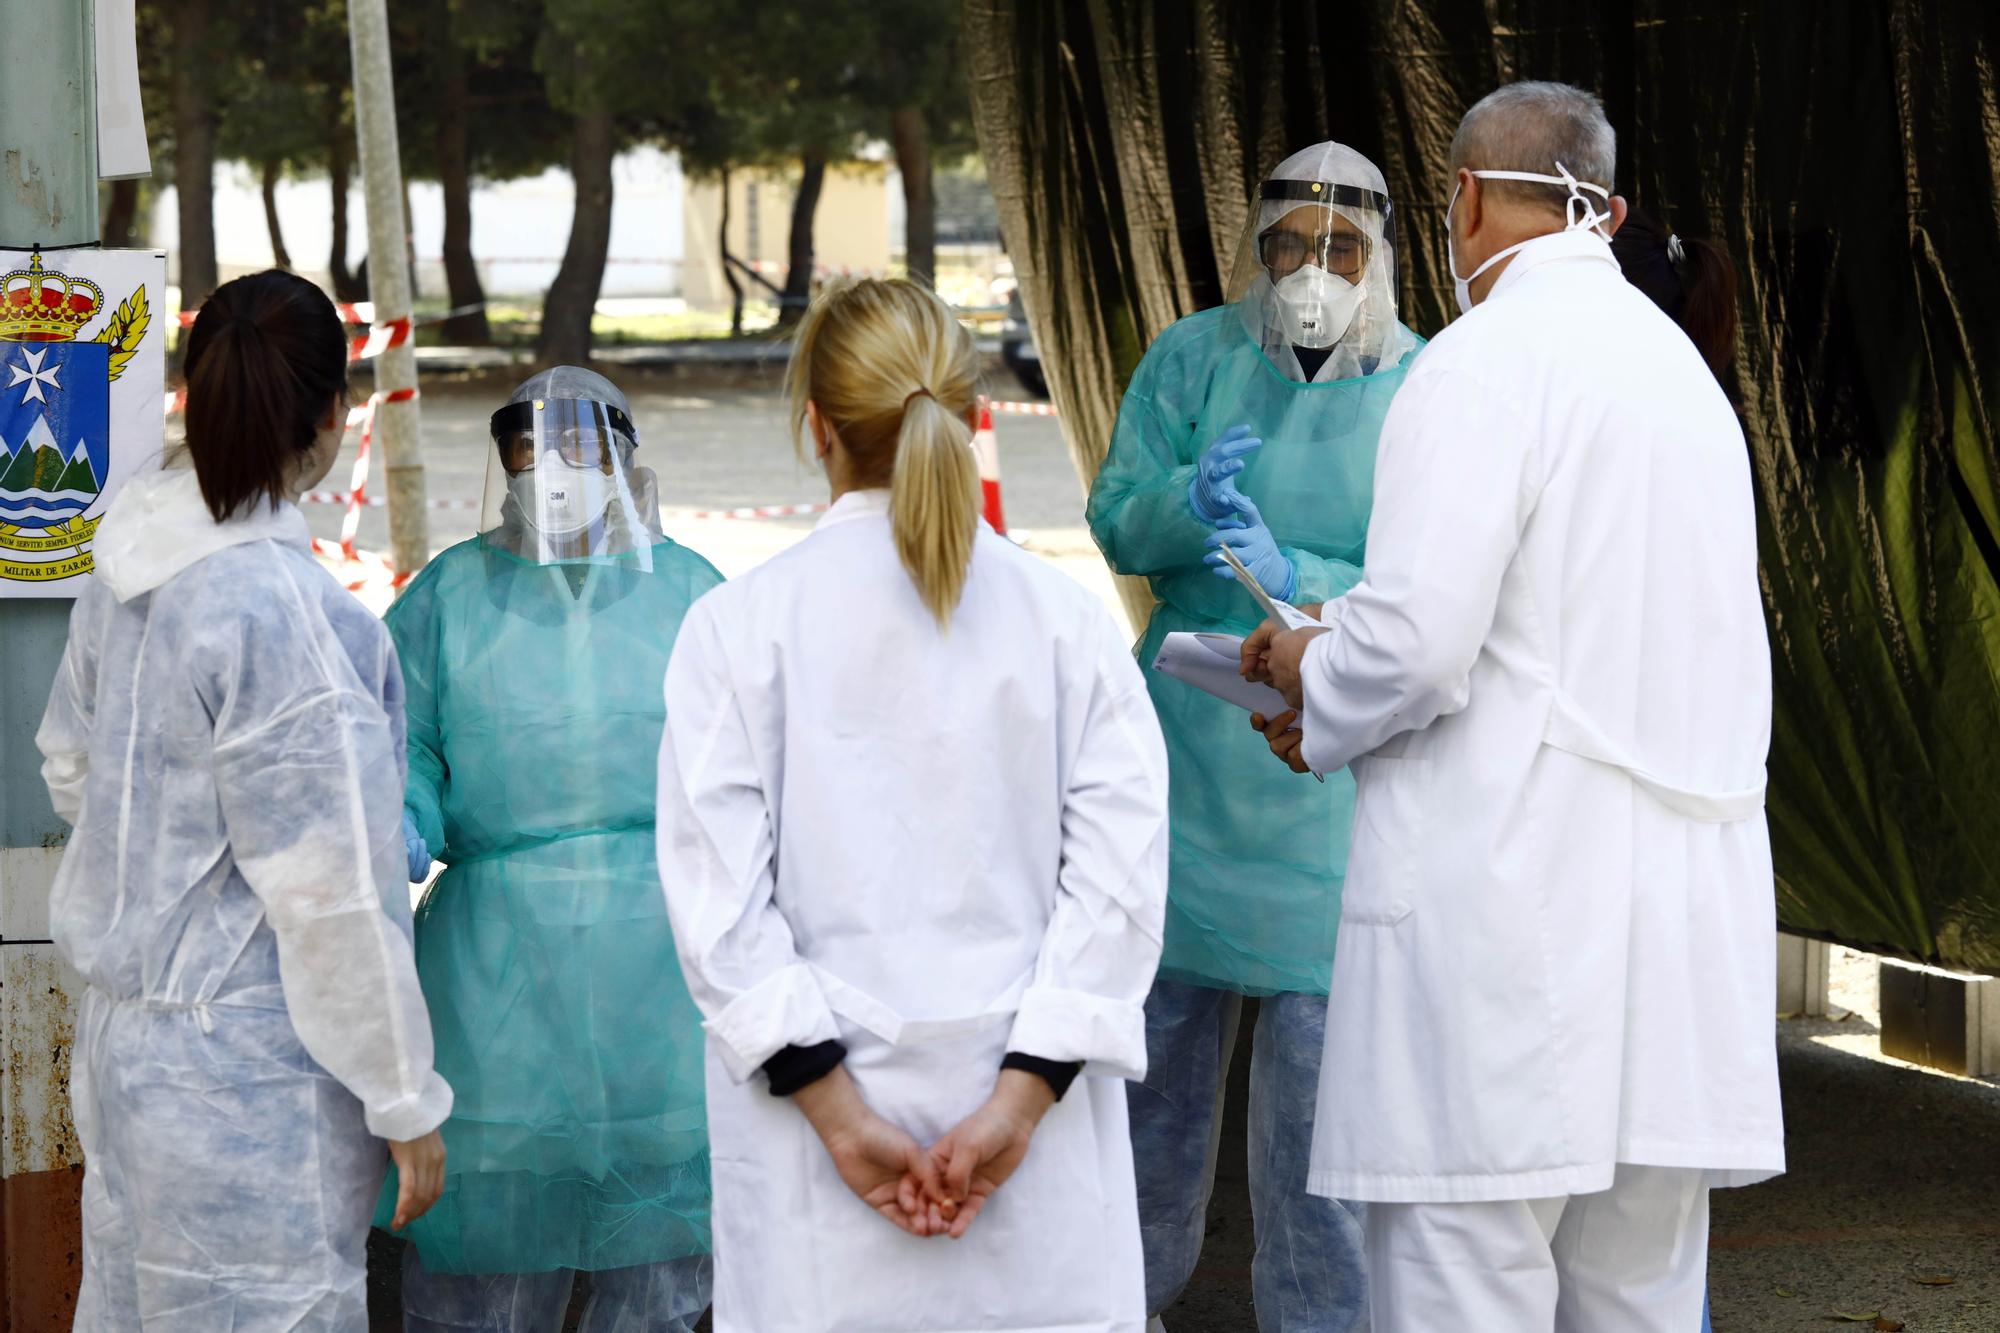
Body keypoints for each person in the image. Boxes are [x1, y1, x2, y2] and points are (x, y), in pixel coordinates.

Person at [1242, 82, 1784, 1331]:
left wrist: (1305, 667)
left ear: (1466, 201)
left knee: (1460, 1280)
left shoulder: (1485, 361)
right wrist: (1341, 656)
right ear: (1607, 209)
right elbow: (1565, 635)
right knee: (1638, 1294)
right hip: (1671, 930)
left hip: (1512, 917)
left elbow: (1421, 647)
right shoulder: (1679, 379)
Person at [657, 276, 1170, 1332]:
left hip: (817, 1174)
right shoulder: (1064, 624)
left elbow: (718, 911)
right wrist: (1016, 1105)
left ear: (817, 429)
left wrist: (843, 1120)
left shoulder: (737, 629)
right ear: (968, 414)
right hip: (1035, 1168)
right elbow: (1118, 889)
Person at [36, 269, 452, 1328]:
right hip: (248, 1081)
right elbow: (335, 899)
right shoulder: (289, 618)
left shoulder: (129, 563)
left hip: (131, 1052)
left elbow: (71, 767)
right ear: (332, 416)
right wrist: (403, 1097)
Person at [1085, 141, 1421, 1331]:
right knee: (1141, 1107)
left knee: (1323, 1130)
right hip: (1187, 753)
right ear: (1255, 246)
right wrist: (1189, 509)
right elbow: (1116, 518)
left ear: (1381, 252)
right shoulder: (1193, 356)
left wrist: (1301, 581)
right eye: (1288, 246)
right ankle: (1111, 1307)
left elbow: (1430, 590)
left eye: (1338, 248)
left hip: (1325, 757)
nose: (1310, 270)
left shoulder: (1424, 385)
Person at [374, 366, 720, 1330]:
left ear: (621, 459)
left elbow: (755, 768)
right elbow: (404, 739)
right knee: (486, 1268)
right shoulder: (449, 593)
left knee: (656, 1274)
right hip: (498, 987)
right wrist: (399, 811)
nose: (549, 467)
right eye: (527, 446)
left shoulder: (694, 593)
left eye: (576, 445)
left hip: (658, 980)